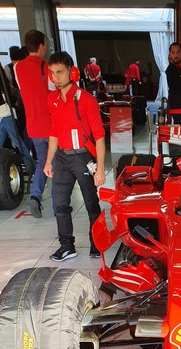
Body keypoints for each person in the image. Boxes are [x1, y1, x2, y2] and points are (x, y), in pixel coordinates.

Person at [44, 51, 106, 262]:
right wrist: (49, 161)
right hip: (62, 158)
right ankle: (66, 246)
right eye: (52, 73)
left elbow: (99, 136)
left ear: (72, 72)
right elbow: (53, 132)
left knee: (91, 204)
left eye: (60, 72)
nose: (56, 77)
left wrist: (100, 169)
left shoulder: (86, 100)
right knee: (60, 204)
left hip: (83, 158)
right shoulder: (51, 99)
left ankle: (96, 244)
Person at [14, 29, 53, 218]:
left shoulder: (18, 68)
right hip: (51, 124)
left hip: (33, 125)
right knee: (57, 164)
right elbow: (53, 92)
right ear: (41, 46)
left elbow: (23, 90)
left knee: (42, 161)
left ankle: (35, 195)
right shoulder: (46, 67)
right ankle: (59, 206)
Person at [0, 54, 33, 172]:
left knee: (17, 143)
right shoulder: (1, 75)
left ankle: (32, 167)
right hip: (7, 113)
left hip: (4, 114)